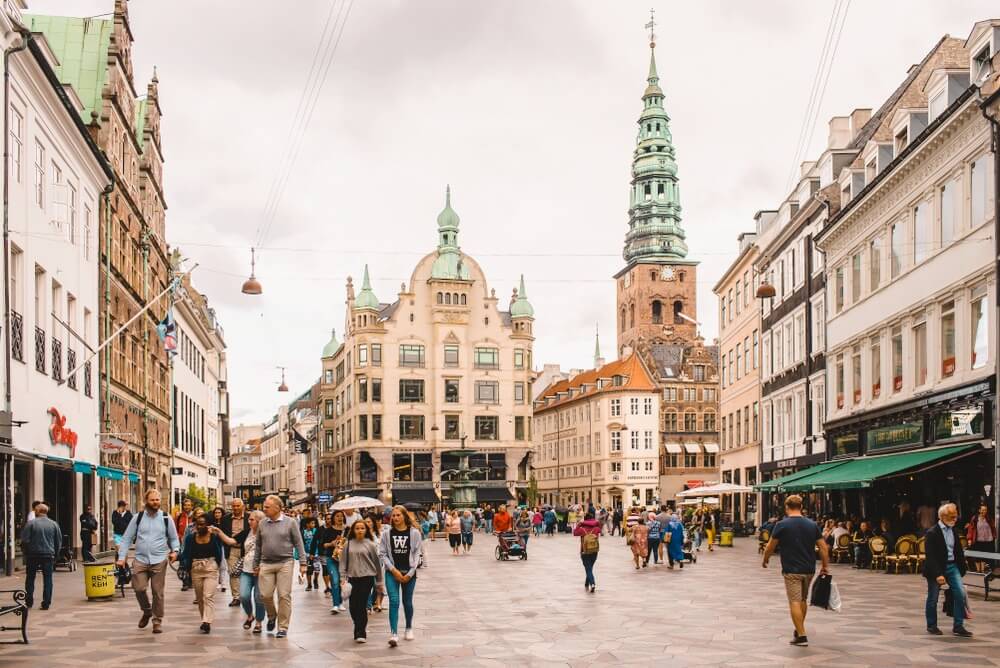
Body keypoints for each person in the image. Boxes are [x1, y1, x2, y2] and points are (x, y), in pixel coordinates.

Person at [761, 495, 829, 647]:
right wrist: (825, 566)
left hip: (791, 569)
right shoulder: (812, 524)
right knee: (803, 599)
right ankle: (799, 630)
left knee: (794, 601)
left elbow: (770, 545)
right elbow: (823, 547)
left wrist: (766, 559)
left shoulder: (781, 525)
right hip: (809, 568)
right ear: (801, 507)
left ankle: (802, 636)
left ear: (786, 507)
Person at [117, 489, 181, 634]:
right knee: (138, 588)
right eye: (152, 500)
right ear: (146, 501)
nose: (155, 502)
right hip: (140, 559)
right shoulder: (138, 517)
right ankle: (147, 611)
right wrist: (121, 558)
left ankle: (157, 621)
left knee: (158, 592)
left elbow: (173, 538)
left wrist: (175, 551)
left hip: (159, 560)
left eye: (157, 500)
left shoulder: (166, 518)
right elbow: (126, 538)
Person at [252, 495, 308, 638]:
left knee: (284, 595)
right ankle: (272, 615)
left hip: (285, 562)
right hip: (266, 563)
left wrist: (303, 563)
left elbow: (299, 543)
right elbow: (258, 545)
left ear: (277, 507)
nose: (264, 509)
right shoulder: (262, 523)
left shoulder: (290, 522)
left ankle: (283, 627)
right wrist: (255, 564)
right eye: (264, 506)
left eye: (267, 507)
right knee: (265, 595)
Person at [379, 505, 423, 647]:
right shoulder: (386, 533)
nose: (396, 517)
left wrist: (410, 573)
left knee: (407, 602)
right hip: (392, 572)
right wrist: (393, 570)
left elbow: (417, 554)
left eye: (398, 515)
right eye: (393, 515)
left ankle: (408, 628)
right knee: (394, 601)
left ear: (404, 516)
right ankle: (394, 634)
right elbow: (382, 554)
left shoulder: (414, 533)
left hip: (409, 573)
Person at [925, 503, 972, 637]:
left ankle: (958, 626)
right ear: (943, 516)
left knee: (960, 594)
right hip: (937, 568)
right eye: (952, 517)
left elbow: (958, 550)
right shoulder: (932, 532)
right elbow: (930, 556)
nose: (955, 519)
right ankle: (932, 625)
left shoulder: (953, 530)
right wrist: (938, 574)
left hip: (952, 566)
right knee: (933, 597)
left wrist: (961, 568)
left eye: (956, 516)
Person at [180, 513, 226, 633]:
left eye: (202, 524)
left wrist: (217, 566)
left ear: (208, 525)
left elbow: (219, 553)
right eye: (197, 524)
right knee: (200, 598)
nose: (199, 527)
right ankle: (204, 620)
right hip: (196, 569)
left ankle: (207, 621)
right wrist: (177, 558)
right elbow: (186, 553)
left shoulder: (214, 537)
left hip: (211, 568)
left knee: (208, 596)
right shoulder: (190, 538)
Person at [340, 519, 384, 643]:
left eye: (362, 528)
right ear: (353, 530)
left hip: (367, 577)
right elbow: (343, 562)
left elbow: (377, 563)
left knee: (361, 604)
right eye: (357, 528)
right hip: (352, 578)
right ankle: (357, 624)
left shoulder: (370, 544)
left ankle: (361, 632)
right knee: (353, 606)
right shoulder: (348, 544)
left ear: (366, 530)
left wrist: (379, 581)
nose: (360, 530)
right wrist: (342, 578)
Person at [21, 503, 61, 610]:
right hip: (48, 554)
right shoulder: (54, 524)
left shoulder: (31, 524)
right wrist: (56, 554)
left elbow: (25, 540)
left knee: (30, 577)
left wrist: (25, 553)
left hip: (33, 554)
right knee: (48, 578)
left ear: (37, 512)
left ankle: (29, 600)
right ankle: (46, 602)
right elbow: (58, 541)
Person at [237, 510, 267, 633]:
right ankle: (250, 616)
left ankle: (259, 622)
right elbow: (232, 540)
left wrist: (260, 566)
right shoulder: (247, 532)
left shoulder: (266, 534)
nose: (249, 521)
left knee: (259, 598)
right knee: (243, 596)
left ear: (259, 521)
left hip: (261, 571)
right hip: (246, 569)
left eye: (251, 519)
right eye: (249, 519)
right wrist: (219, 532)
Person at [220, 498, 248, 607]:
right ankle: (236, 597)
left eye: (238, 506)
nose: (235, 508)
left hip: (246, 550)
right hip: (231, 549)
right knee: (233, 573)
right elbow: (222, 534)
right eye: (234, 506)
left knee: (246, 572)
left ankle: (246, 595)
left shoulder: (249, 517)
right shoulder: (225, 519)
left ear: (243, 506)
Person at [322, 511, 348, 613]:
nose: (340, 518)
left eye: (341, 516)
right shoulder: (328, 530)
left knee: (341, 581)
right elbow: (323, 545)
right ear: (333, 518)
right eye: (337, 516)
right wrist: (331, 544)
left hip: (344, 559)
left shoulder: (348, 530)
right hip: (331, 558)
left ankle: (340, 602)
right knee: (335, 580)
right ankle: (336, 604)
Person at [574, 510, 601, 592]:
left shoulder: (582, 529)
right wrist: (596, 523)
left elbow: (575, 533)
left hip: (584, 551)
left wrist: (579, 524)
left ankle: (592, 583)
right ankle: (587, 583)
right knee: (589, 567)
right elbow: (600, 528)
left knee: (588, 568)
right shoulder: (596, 528)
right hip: (594, 550)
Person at [965, 504, 996, 572]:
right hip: (978, 540)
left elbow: (993, 527)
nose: (984, 511)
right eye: (983, 510)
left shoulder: (989, 518)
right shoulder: (975, 518)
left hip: (988, 540)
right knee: (977, 557)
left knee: (984, 556)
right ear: (979, 510)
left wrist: (994, 536)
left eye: (985, 510)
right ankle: (978, 571)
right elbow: (971, 529)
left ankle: (982, 571)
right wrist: (969, 539)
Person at [301, 516, 321, 590]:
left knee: (317, 568)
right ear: (307, 524)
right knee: (309, 569)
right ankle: (309, 584)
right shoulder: (303, 532)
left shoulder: (316, 531)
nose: (314, 525)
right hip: (307, 553)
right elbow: (302, 542)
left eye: (314, 523)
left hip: (316, 553)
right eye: (312, 523)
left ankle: (315, 580)